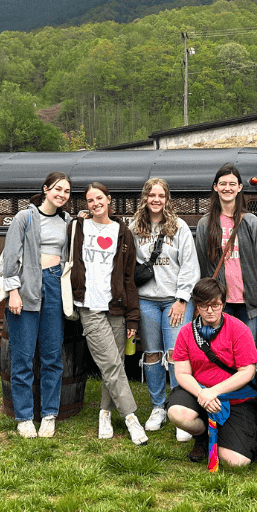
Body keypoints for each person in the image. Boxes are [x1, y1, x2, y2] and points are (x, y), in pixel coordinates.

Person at [70, 182, 149, 445]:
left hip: (115, 307)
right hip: (89, 306)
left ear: (109, 199)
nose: (95, 204)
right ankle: (131, 418)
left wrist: (133, 317)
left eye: (99, 198)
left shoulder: (122, 232)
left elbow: (128, 278)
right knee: (113, 364)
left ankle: (104, 413)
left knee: (112, 364)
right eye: (90, 200)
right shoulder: (78, 227)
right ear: (86, 204)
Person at [0, 171, 73, 439]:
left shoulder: (67, 221)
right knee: (23, 356)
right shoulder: (25, 217)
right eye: (57, 189)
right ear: (45, 189)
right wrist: (13, 292)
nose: (61, 194)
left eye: (66, 191)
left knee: (52, 355)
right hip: (27, 285)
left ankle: (49, 414)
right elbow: (11, 256)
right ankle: (24, 417)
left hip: (56, 285)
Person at [169, 278, 257, 467]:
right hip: (199, 394)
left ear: (223, 304)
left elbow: (248, 371)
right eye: (204, 306)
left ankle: (240, 437)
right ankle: (202, 436)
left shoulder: (239, 330)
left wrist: (214, 391)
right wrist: (203, 394)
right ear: (196, 306)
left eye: (215, 305)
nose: (210, 311)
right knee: (177, 413)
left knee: (236, 462)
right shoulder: (186, 332)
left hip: (237, 398)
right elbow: (182, 373)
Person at [131, 178, 199, 434]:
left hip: (174, 301)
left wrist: (182, 299)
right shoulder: (136, 227)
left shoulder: (178, 227)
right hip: (147, 300)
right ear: (145, 198)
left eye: (161, 195)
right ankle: (158, 406)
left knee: (176, 356)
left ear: (167, 199)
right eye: (152, 195)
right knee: (152, 354)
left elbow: (190, 266)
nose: (156, 199)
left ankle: (178, 407)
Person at [195, 163, 257, 340]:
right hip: (218, 302)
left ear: (239, 187)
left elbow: (256, 261)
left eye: (232, 184)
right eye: (223, 183)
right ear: (215, 187)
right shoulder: (205, 224)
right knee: (219, 352)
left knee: (246, 353)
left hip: (248, 303)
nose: (228, 188)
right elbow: (202, 263)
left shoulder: (251, 222)